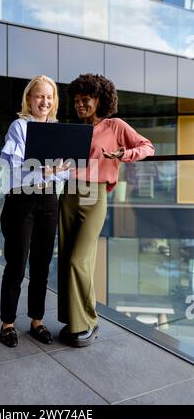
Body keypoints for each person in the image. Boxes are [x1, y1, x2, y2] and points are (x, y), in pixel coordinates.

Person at [58, 73, 155, 347]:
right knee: (66, 257)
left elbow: (147, 146)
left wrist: (124, 155)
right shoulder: (74, 129)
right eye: (76, 100)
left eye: (85, 99)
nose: (79, 105)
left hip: (95, 194)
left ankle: (89, 321)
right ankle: (72, 320)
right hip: (69, 193)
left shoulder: (115, 126)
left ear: (99, 99)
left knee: (79, 259)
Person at [0, 75, 70, 348]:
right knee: (17, 263)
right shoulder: (19, 126)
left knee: (41, 264)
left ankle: (36, 320)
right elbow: (15, 170)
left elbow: (62, 175)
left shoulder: (57, 128)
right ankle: (7, 323)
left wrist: (59, 171)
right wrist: (48, 170)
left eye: (49, 97)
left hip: (49, 201)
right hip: (21, 201)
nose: (45, 101)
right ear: (29, 98)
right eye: (39, 96)